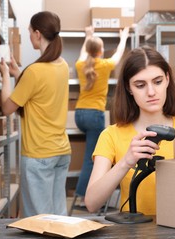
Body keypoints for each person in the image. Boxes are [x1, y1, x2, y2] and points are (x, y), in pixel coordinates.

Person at [84, 46, 175, 215]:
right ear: (129, 88)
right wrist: (126, 162)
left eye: (157, 82)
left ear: (167, 79)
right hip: (134, 236)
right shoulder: (111, 135)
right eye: (140, 85)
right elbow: (92, 203)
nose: (151, 92)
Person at [0, 11, 71, 217]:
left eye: (29, 32)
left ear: (38, 34)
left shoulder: (35, 71)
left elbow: (7, 107)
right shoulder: (63, 65)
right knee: (58, 217)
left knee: (39, 222)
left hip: (39, 155)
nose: (29, 36)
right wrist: (18, 74)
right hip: (61, 152)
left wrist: (5, 76)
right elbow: (40, 90)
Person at [73, 25, 130, 206]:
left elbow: (83, 53)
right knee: (93, 157)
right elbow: (119, 54)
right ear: (101, 51)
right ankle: (84, 196)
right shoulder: (105, 65)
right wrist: (124, 37)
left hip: (79, 115)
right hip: (95, 115)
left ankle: (88, 193)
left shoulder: (80, 65)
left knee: (92, 154)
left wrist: (88, 35)